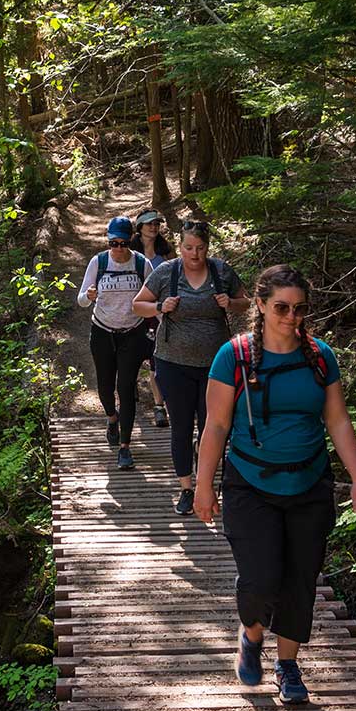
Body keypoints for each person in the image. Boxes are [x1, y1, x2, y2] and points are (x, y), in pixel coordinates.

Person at [194, 264, 356, 705]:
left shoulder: (319, 355)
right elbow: (216, 426)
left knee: (300, 580)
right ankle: (252, 635)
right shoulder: (232, 356)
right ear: (259, 304)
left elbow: (336, 419)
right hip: (249, 484)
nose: (292, 317)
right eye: (281, 308)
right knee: (260, 579)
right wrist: (203, 486)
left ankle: (288, 665)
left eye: (299, 309)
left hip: (309, 482)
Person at [132, 220, 249, 513]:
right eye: (188, 248)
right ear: (180, 246)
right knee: (181, 427)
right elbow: (138, 305)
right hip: (173, 363)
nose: (194, 254)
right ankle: (187, 487)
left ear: (207, 247)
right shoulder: (166, 272)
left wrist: (230, 304)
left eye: (199, 248)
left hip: (216, 367)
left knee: (213, 426)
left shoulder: (221, 271)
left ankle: (206, 483)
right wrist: (160, 307)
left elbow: (245, 302)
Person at [78, 216, 153, 470]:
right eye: (114, 243)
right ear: (108, 241)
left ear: (131, 240)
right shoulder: (98, 262)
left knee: (126, 386)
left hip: (132, 333)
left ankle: (125, 447)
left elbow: (154, 296)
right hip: (102, 332)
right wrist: (88, 296)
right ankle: (112, 417)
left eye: (123, 243)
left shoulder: (142, 264)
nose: (119, 248)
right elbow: (81, 299)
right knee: (105, 386)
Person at [129, 209, 175, 428]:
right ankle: (130, 387)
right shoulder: (128, 253)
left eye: (156, 223)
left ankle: (159, 406)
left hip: (158, 314)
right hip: (132, 314)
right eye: (149, 224)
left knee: (156, 360)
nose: (153, 227)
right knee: (131, 357)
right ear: (139, 228)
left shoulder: (165, 255)